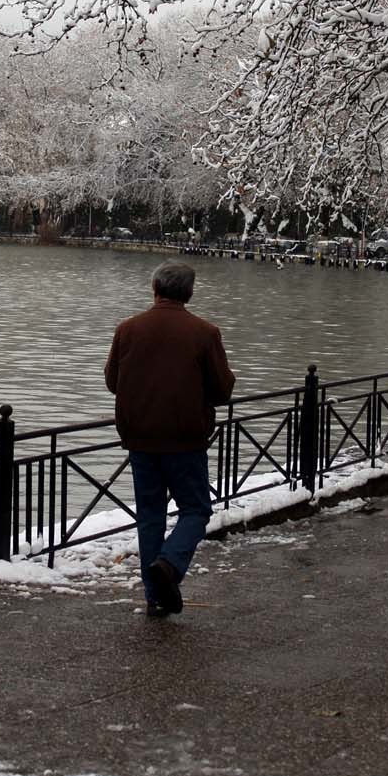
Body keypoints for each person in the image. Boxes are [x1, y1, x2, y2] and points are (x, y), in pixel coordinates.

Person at [103, 260, 234, 618]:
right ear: (189, 293)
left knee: (150, 516)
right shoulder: (204, 333)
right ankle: (170, 565)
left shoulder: (127, 329)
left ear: (155, 288)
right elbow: (222, 391)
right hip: (184, 439)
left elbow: (113, 382)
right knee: (195, 509)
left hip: (140, 438)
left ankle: (154, 595)